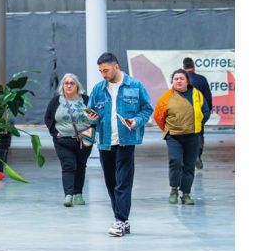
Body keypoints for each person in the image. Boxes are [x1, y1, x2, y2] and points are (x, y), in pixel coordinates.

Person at [87, 52, 154, 238]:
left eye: (106, 70)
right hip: (105, 142)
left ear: (116, 67)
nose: (103, 74)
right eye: (101, 71)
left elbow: (147, 109)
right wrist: (91, 117)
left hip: (126, 141)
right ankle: (123, 221)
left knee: (123, 182)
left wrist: (136, 121)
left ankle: (119, 219)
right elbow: (91, 113)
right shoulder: (98, 89)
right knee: (111, 182)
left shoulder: (135, 86)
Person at [43, 74, 97, 206]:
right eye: (66, 83)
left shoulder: (85, 100)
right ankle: (68, 195)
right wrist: (55, 133)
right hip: (63, 140)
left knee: (80, 166)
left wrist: (92, 129)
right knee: (68, 166)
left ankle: (78, 194)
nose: (68, 85)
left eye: (72, 83)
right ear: (62, 86)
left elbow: (95, 117)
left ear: (77, 86)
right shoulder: (56, 101)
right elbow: (48, 117)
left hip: (84, 140)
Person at [153, 69, 203, 205]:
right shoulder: (166, 97)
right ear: (172, 81)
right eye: (176, 79)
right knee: (175, 161)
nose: (179, 81)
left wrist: (196, 125)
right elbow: (158, 116)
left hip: (192, 136)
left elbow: (204, 111)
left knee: (189, 165)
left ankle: (186, 194)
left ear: (187, 81)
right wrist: (168, 129)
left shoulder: (197, 94)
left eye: (182, 78)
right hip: (173, 136)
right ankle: (174, 190)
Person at [182, 58, 213, 176]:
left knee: (185, 135)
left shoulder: (181, 80)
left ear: (184, 67)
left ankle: (188, 158)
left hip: (184, 113)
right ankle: (197, 156)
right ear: (193, 66)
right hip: (199, 113)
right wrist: (207, 112)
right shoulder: (202, 79)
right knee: (199, 135)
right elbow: (208, 98)